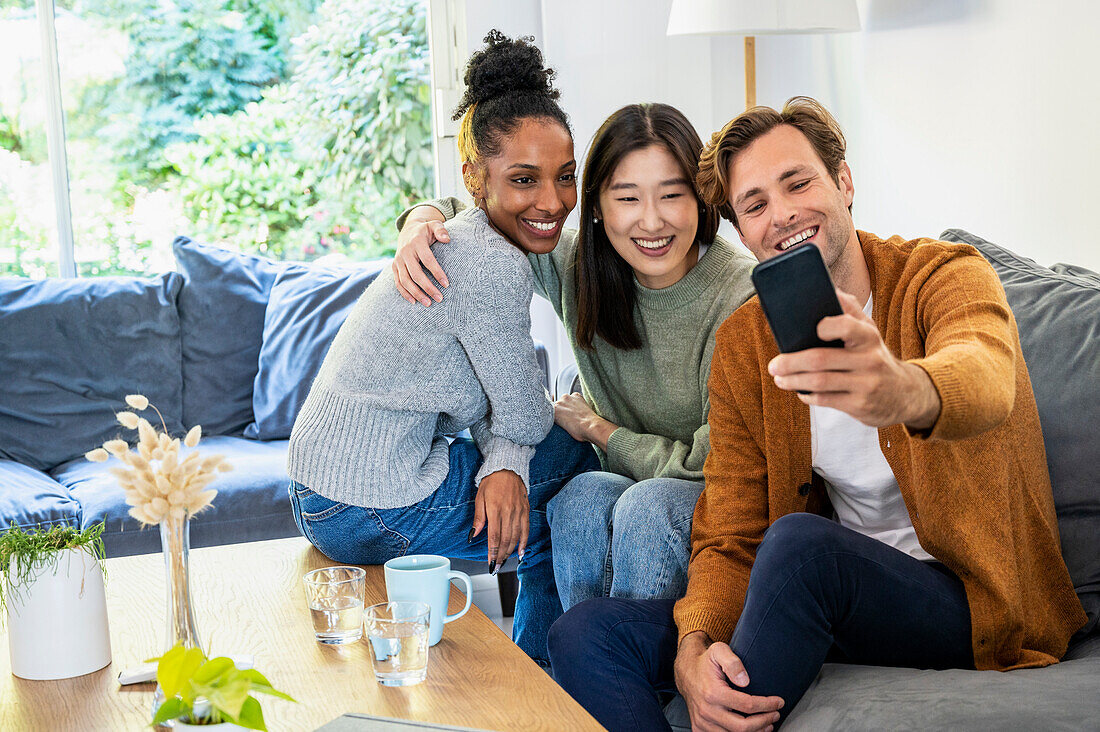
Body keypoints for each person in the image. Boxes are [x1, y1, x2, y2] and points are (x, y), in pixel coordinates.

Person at [547, 97, 1087, 730]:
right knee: (583, 634)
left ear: (844, 181)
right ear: (741, 232)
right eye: (754, 205)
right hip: (823, 601)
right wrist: (694, 646)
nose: (781, 215)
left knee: (803, 548)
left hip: (970, 602)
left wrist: (902, 389)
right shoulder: (748, 342)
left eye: (797, 182)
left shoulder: (943, 276)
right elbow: (731, 527)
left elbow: (985, 374)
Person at [285, 30, 599, 668]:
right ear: (475, 177)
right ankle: (546, 684)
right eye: (524, 180)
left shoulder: (465, 233)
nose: (553, 201)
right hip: (363, 500)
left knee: (556, 458)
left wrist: (508, 449)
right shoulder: (490, 263)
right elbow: (522, 413)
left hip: (322, 482)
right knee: (571, 495)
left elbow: (500, 399)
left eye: (566, 177)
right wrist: (512, 454)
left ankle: (539, 668)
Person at [394, 103, 756, 610]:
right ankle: (577, 676)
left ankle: (646, 671)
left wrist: (599, 430)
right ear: (596, 208)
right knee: (578, 500)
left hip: (711, 491)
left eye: (672, 195)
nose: (651, 221)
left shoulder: (738, 295)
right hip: (623, 479)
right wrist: (420, 220)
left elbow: (709, 464)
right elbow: (478, 213)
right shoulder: (578, 263)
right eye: (627, 198)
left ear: (700, 199)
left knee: (645, 508)